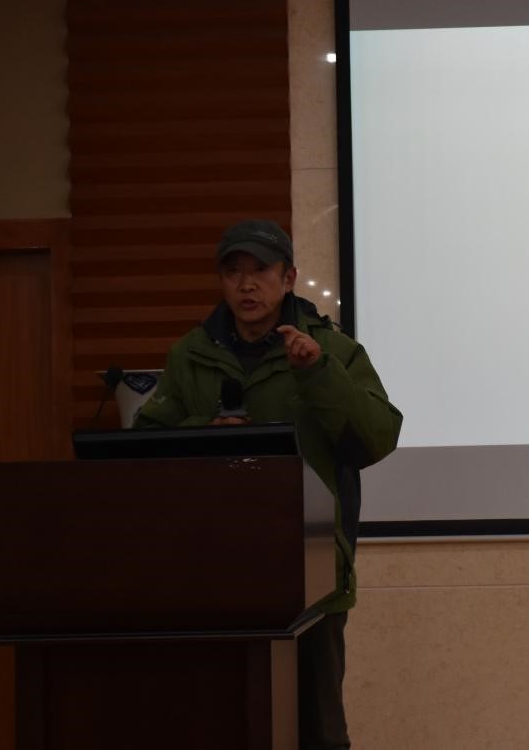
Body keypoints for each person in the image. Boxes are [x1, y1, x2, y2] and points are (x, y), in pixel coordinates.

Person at [135, 219, 402, 750]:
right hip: (211, 573)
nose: (247, 284)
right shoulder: (190, 355)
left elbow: (376, 438)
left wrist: (318, 372)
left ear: (289, 278)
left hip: (311, 571)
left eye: (260, 270)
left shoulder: (332, 349)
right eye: (233, 272)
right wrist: (203, 431)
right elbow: (145, 448)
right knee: (224, 723)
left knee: (319, 732)